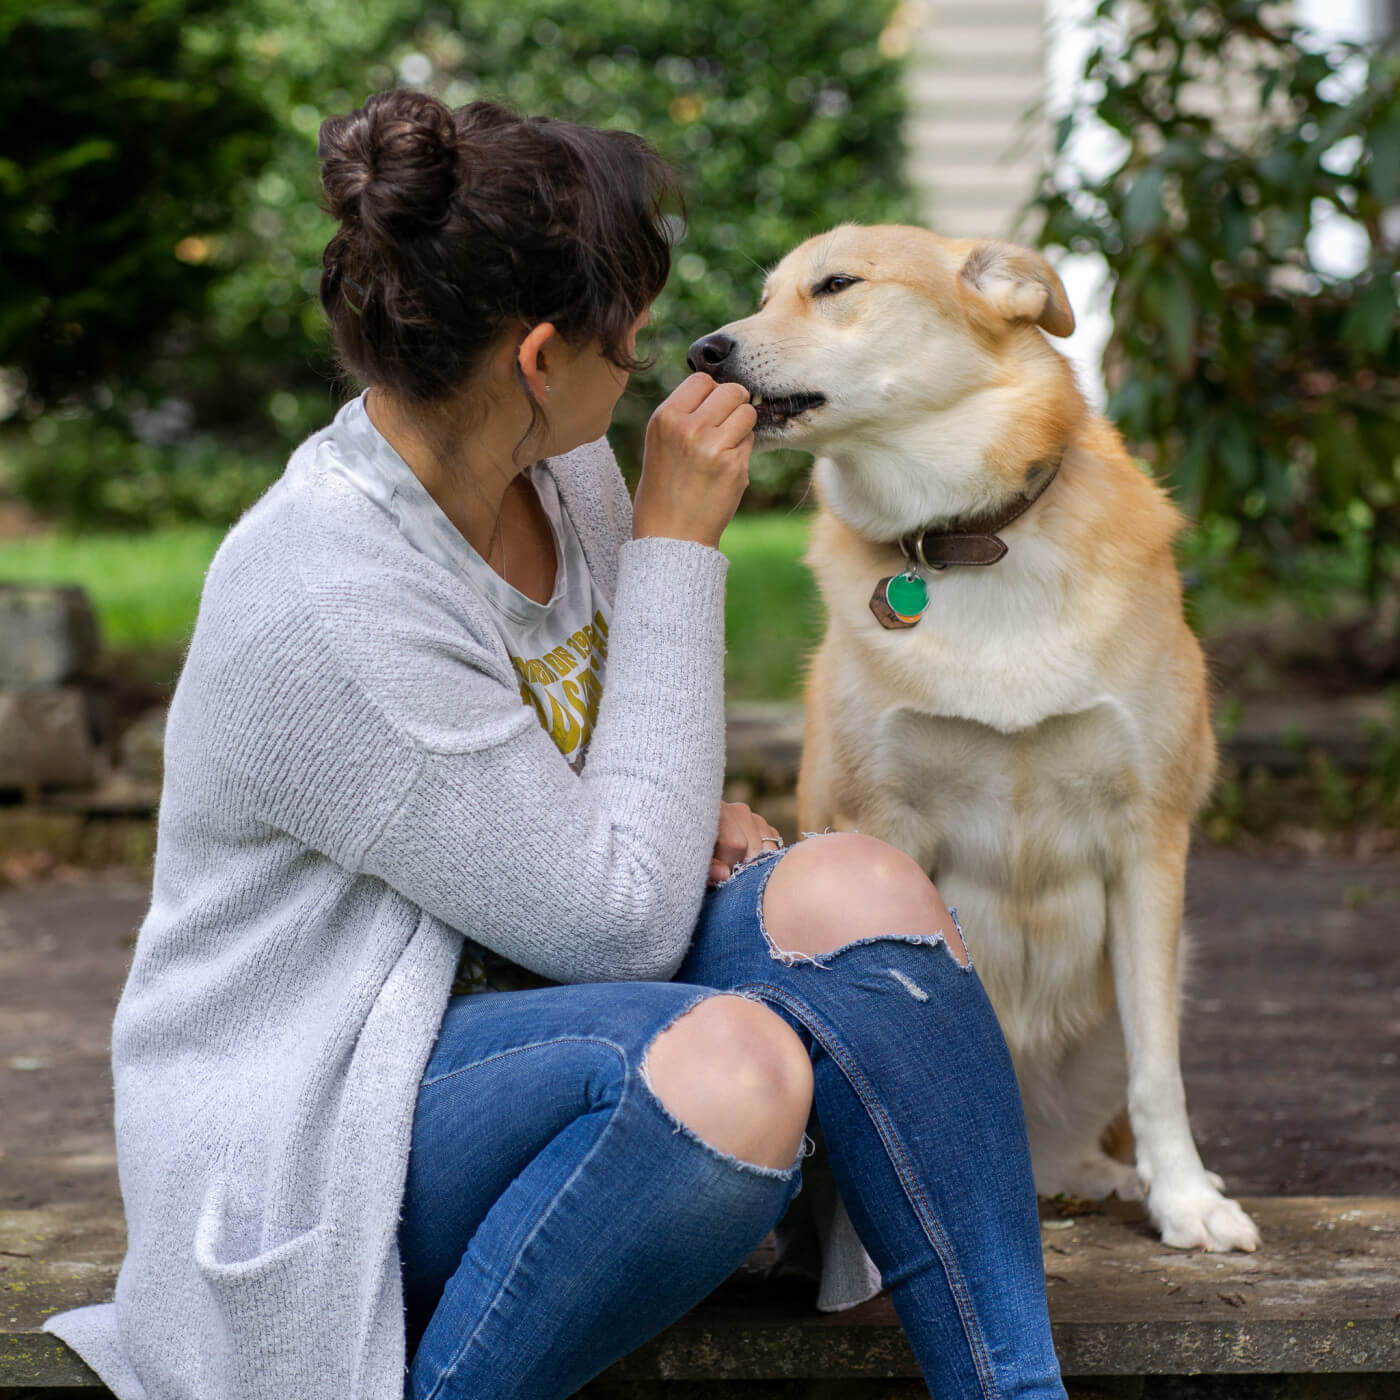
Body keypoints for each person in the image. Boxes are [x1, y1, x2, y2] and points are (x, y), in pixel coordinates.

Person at [41, 87, 1068, 1400]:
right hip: (340, 1117)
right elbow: (619, 927)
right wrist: (679, 546)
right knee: (736, 1074)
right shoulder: (328, 594)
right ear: (537, 358)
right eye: (625, 325)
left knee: (858, 889)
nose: (652, 351)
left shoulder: (557, 470)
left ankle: (1017, 1390)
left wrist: (668, 806)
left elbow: (582, 810)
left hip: (534, 1003)